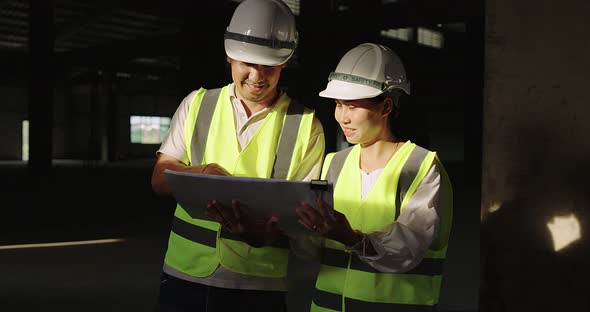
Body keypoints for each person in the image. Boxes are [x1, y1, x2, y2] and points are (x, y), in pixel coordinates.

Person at [150, 0, 325, 311]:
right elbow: (160, 179)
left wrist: (266, 234)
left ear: (285, 62)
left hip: (259, 283)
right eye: (248, 63)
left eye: (269, 66)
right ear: (229, 54)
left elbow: (304, 219)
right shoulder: (197, 104)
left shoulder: (306, 125)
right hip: (185, 274)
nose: (258, 76)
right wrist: (203, 174)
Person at [295, 43, 453, 311]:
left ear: (386, 107)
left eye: (352, 107)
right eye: (337, 105)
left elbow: (409, 245)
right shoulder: (333, 164)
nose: (342, 117)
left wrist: (351, 238)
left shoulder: (422, 166)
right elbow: (310, 250)